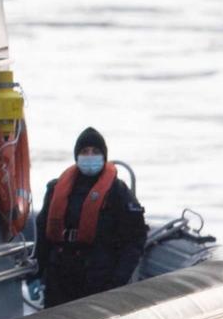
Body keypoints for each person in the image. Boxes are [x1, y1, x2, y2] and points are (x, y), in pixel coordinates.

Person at [36, 127, 147, 308]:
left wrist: (118, 281)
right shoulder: (56, 188)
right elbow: (43, 232)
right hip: (60, 276)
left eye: (95, 152)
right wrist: (38, 273)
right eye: (84, 152)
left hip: (99, 277)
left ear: (104, 157)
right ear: (76, 156)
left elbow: (135, 238)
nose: (89, 156)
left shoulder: (117, 192)